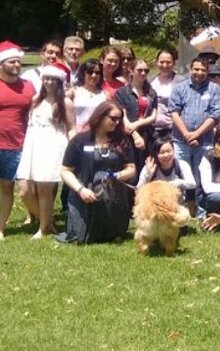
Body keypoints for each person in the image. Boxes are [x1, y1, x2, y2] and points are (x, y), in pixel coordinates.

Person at [58, 102, 136, 244]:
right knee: (81, 238)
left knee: (113, 235)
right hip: (84, 190)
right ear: (100, 116)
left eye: (119, 119)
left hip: (113, 192)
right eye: (113, 118)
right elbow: (65, 171)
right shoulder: (79, 140)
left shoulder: (122, 141)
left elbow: (131, 168)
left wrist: (116, 175)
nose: (117, 122)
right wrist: (80, 189)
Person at [16, 63, 73, 237]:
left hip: (52, 147)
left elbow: (71, 128)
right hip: (33, 146)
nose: (49, 82)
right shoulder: (35, 100)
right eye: (46, 78)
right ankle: (47, 222)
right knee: (24, 190)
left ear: (59, 82)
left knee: (44, 190)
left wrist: (72, 152)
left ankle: (42, 228)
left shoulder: (65, 102)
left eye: (53, 79)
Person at [169, 58, 220, 215]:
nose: (199, 73)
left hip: (204, 141)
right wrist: (186, 134)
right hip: (180, 141)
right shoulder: (179, 88)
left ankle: (200, 213)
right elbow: (174, 112)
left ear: (208, 71)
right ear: (190, 69)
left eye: (203, 70)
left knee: (201, 179)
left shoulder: (214, 89)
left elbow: (214, 116)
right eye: (196, 69)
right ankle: (178, 212)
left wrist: (196, 134)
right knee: (180, 177)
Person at [0, 41, 36, 240]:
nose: (16, 65)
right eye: (12, 62)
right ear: (1, 64)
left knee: (23, 189)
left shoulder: (28, 87)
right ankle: (1, 229)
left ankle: (43, 220)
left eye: (18, 62)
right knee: (4, 188)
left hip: (18, 145)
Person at [114, 58, 158, 175]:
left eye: (146, 70)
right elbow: (122, 117)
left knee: (147, 170)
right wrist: (135, 135)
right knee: (131, 170)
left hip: (148, 136)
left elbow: (153, 116)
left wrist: (137, 123)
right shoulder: (121, 92)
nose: (143, 73)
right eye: (139, 70)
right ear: (131, 71)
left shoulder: (151, 92)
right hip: (127, 137)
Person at [150, 50, 185, 140]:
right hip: (151, 129)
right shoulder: (150, 81)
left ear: (174, 63)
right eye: (162, 62)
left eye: (168, 62)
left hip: (172, 130)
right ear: (156, 62)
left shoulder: (181, 81)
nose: (165, 65)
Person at [72, 59, 107, 134]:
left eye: (97, 73)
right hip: (78, 134)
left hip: (99, 133)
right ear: (83, 73)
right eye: (90, 72)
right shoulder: (74, 92)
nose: (94, 75)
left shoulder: (105, 95)